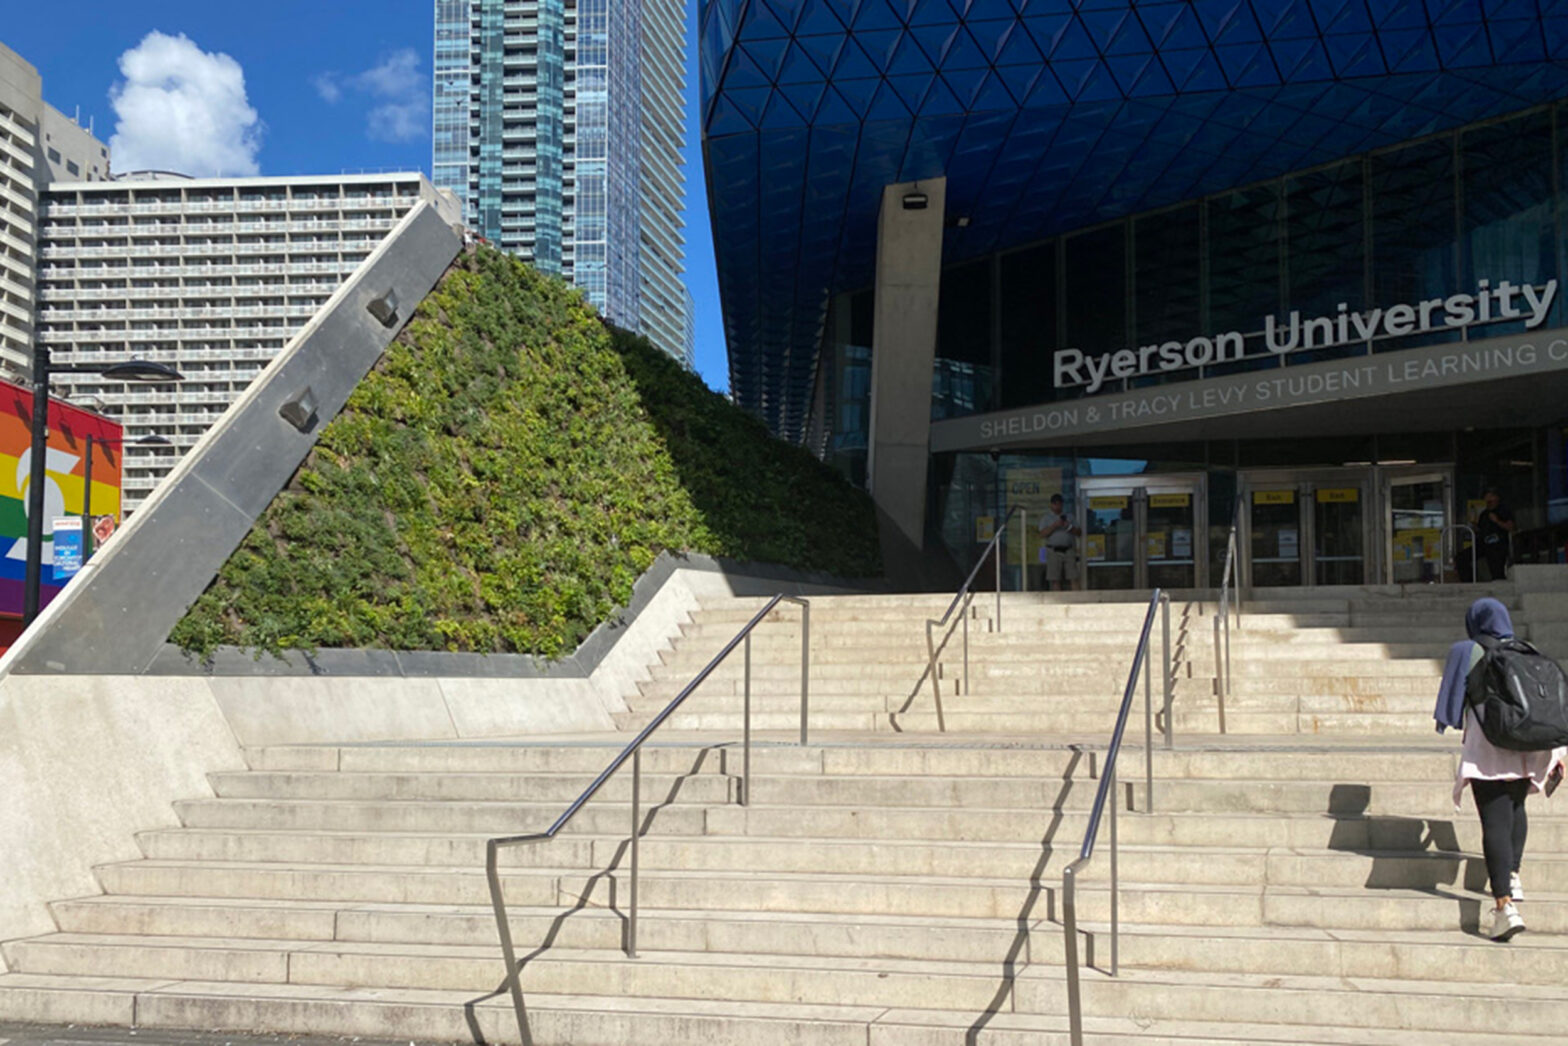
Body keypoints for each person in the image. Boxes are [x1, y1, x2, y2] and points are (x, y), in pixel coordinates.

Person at [1433, 597, 1566, 941]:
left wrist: (1447, 719)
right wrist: (1557, 753)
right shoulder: (1525, 650)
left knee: (1494, 820)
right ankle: (1513, 876)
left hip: (1489, 750)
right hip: (1528, 748)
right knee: (1516, 808)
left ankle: (1504, 907)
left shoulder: (1466, 650)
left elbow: (1449, 707)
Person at [1037, 493, 1080, 592]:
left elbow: (1079, 532)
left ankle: (1077, 598)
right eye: (1055, 504)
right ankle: (1057, 599)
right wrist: (1054, 525)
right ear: (1051, 504)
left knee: (1073, 576)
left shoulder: (1069, 517)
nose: (1058, 506)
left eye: (1059, 504)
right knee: (1055, 579)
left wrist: (1069, 527)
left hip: (1068, 549)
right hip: (1053, 550)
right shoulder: (1046, 518)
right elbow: (1042, 534)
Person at [1474, 488, 1515, 582]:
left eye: (1491, 498)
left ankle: (1498, 579)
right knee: (1463, 557)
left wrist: (1497, 521)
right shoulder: (1484, 514)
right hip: (1484, 543)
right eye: (1486, 498)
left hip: (1499, 544)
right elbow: (1480, 529)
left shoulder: (1504, 510)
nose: (1489, 501)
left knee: (1496, 560)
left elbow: (1511, 527)